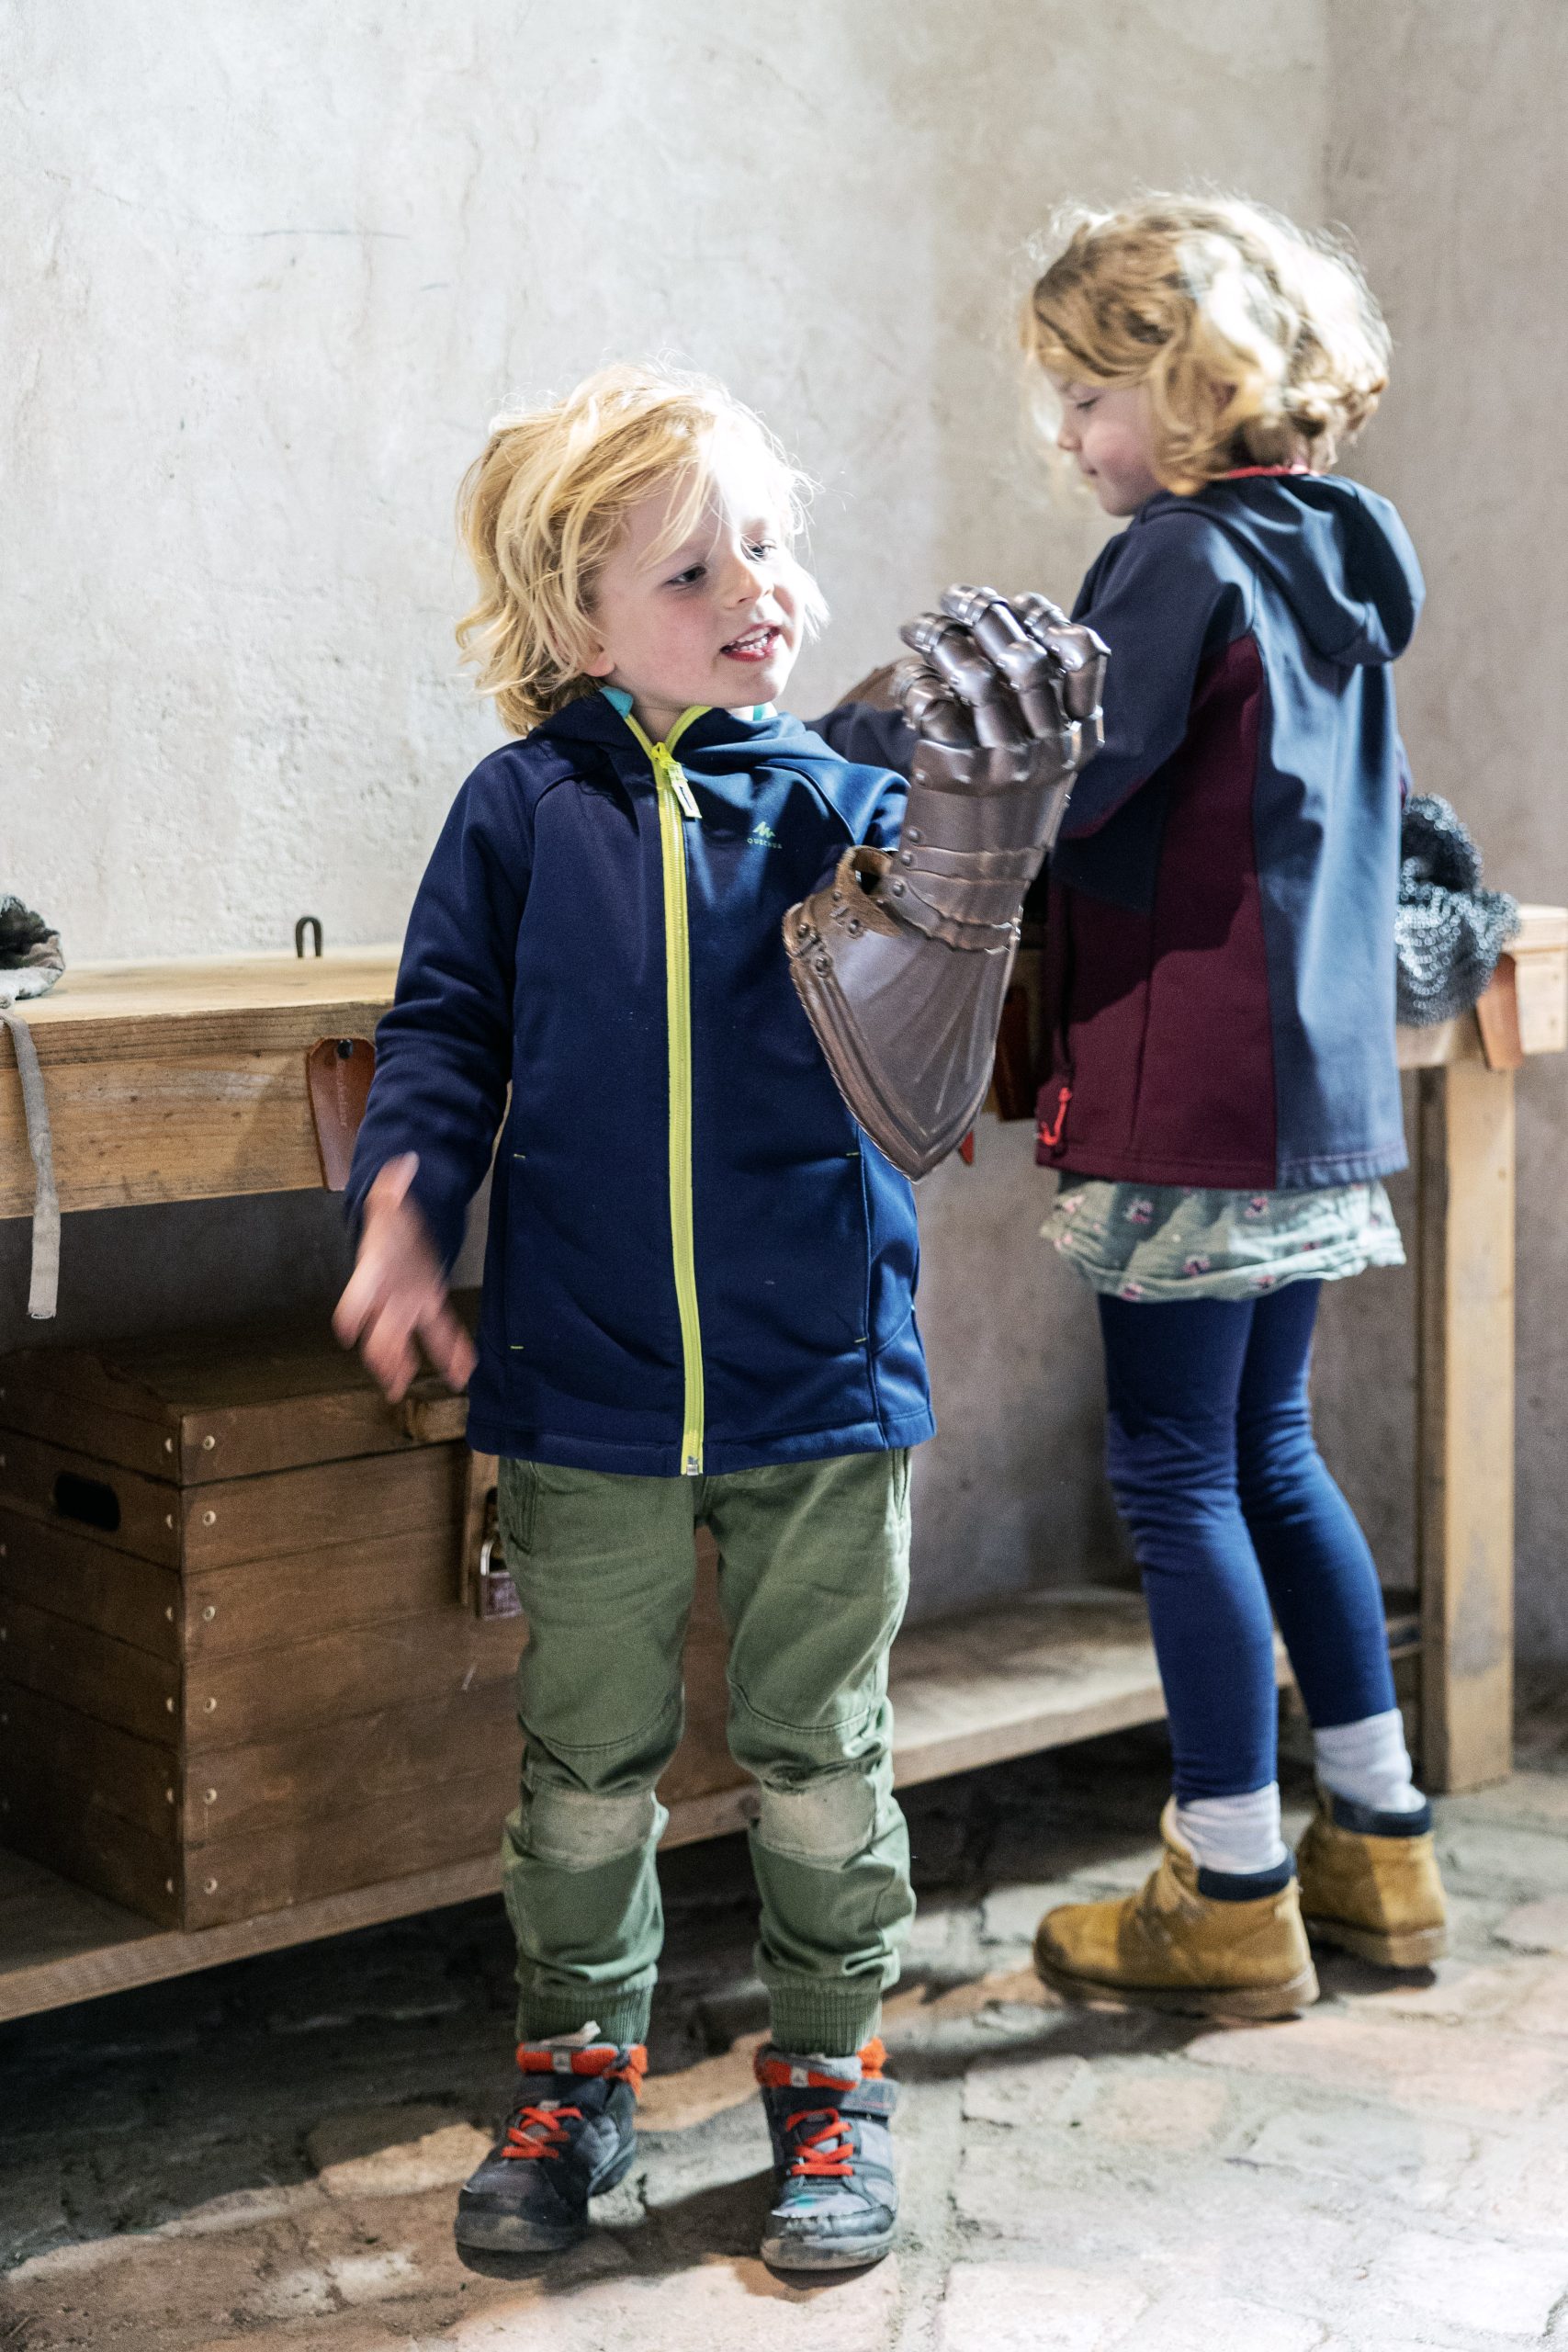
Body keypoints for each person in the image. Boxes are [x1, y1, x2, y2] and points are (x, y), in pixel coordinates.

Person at [333, 362, 1089, 2267]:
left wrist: (995, 847)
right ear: (570, 616)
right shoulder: (515, 815)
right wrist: (407, 1215)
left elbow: (942, 1047)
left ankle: (829, 2082)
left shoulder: (854, 804)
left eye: (769, 538)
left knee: (820, 1756)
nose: (756, 582)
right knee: (579, 1769)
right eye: (691, 565)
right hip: (579, 1390)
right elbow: (440, 1038)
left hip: (822, 1383)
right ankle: (572, 2081)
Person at [825, 195, 1449, 2020]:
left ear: (1180, 385)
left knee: (1171, 1472)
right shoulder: (1336, 549)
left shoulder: (1174, 556)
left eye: (1086, 399)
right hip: (1308, 1089)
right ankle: (1380, 1843)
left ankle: (1233, 1884)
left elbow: (1071, 801)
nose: (1070, 443)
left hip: (1180, 1079)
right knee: (1269, 1454)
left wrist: (891, 734)